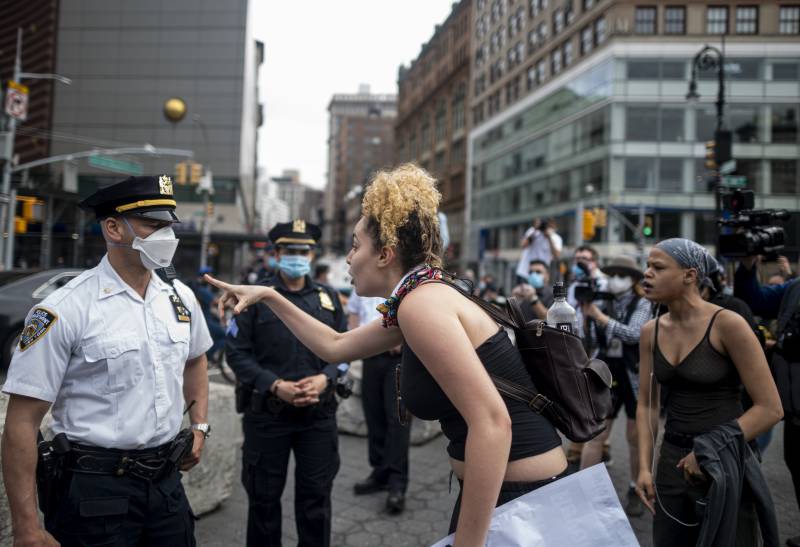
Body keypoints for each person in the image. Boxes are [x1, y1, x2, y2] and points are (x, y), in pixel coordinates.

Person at [206, 164, 567, 546]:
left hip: (522, 496)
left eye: (355, 244)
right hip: (508, 491)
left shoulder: (422, 305)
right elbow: (335, 344)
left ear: (385, 254)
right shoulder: (420, 296)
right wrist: (269, 295)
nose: (348, 257)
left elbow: (494, 425)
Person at [1, 175, 213, 547]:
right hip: (95, 494)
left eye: (169, 225)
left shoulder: (180, 298)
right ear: (114, 228)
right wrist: (27, 528)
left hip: (166, 488)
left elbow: (196, 361)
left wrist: (200, 426)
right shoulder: (63, 310)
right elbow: (21, 421)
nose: (167, 236)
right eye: (153, 224)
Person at [635, 239, 783, 547]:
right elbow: (647, 405)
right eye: (647, 266)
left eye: (658, 267)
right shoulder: (651, 330)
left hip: (724, 460)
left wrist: (709, 450)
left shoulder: (728, 324)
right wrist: (643, 468)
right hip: (672, 460)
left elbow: (770, 408)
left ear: (690, 275)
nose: (646, 274)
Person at [225, 219, 347, 547]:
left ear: (312, 255)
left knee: (316, 502)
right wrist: (275, 385)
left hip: (317, 418)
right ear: (276, 253)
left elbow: (345, 349)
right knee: (263, 502)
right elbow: (236, 354)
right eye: (290, 250)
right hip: (268, 415)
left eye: (304, 251)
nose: (297, 256)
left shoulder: (328, 298)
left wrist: (326, 378)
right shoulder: (255, 297)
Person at [735, 254, 800, 547]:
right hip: (793, 404)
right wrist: (748, 265)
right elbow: (755, 300)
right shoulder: (794, 288)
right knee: (796, 462)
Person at [579, 256, 651, 517]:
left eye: (622, 275)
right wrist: (587, 312)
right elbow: (582, 332)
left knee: (634, 436)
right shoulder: (600, 301)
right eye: (613, 274)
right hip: (605, 371)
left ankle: (636, 488)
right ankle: (583, 489)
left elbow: (635, 333)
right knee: (596, 433)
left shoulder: (643, 303)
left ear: (633, 280)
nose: (615, 279)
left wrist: (601, 318)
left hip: (632, 374)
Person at [347, 289, 410, 514]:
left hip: (398, 359)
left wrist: (401, 339)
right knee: (373, 415)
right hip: (370, 356)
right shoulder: (365, 283)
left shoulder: (405, 283)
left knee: (398, 419)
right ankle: (379, 472)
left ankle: (397, 482)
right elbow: (353, 312)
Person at [515, 218, 562, 283]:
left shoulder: (556, 238)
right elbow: (523, 245)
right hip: (525, 272)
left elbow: (557, 255)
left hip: (542, 273)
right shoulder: (533, 232)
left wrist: (549, 237)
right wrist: (535, 230)